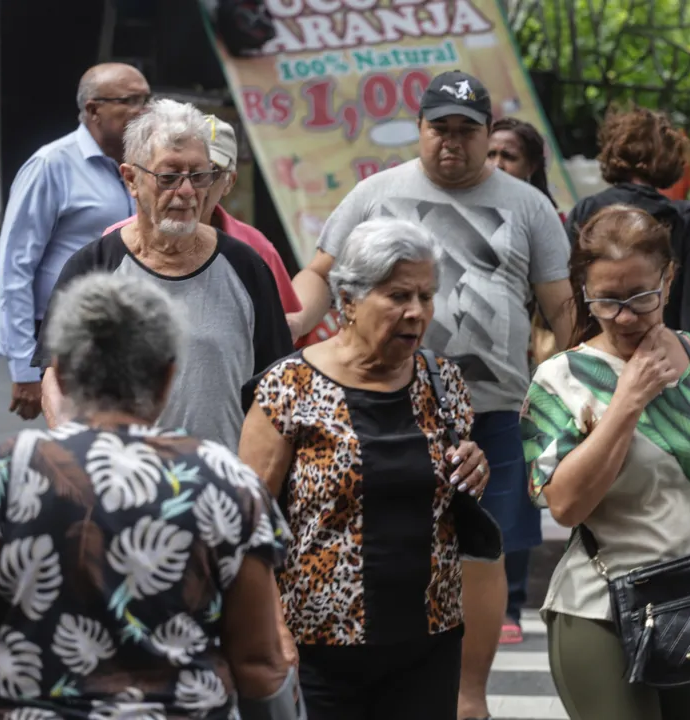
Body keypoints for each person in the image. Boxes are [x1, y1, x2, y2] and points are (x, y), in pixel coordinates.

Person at [285, 70, 573, 720]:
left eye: (466, 131)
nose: (452, 143)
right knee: (378, 536)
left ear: (487, 134)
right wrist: (293, 322)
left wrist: (586, 383)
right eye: (439, 128)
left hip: (494, 408)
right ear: (419, 129)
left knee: (480, 548)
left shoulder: (526, 204)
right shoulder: (376, 192)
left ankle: (469, 697)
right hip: (383, 399)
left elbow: (563, 308)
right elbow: (319, 272)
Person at [0, 272, 296, 717]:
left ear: (64, 375)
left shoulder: (6, 474)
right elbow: (260, 663)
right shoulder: (225, 481)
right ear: (167, 377)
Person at [239, 218, 493, 719]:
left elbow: (452, 498)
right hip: (318, 646)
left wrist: (475, 466)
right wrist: (272, 629)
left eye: (426, 296)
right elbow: (247, 522)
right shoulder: (289, 387)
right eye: (398, 296)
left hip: (429, 640)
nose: (416, 313)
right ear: (349, 300)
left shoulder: (443, 383)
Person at [521, 204, 690, 720]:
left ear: (668, 281)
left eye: (641, 297)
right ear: (584, 291)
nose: (625, 316)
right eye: (607, 301)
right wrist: (626, 402)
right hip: (602, 609)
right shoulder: (561, 379)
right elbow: (564, 505)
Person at [35, 99, 293, 450]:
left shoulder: (246, 266)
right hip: (122, 484)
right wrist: (78, 453)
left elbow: (279, 384)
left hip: (221, 488)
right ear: (131, 180)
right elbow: (55, 375)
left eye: (199, 176)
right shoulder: (94, 267)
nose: (187, 192)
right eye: (169, 176)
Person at [0, 63, 150, 421]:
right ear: (94, 109)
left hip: (129, 335)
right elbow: (15, 268)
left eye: (147, 98)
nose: (144, 110)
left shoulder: (146, 165)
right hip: (65, 337)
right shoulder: (51, 165)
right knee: (74, 455)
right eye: (130, 100)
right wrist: (25, 368)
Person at [104, 114, 302, 315]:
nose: (189, 188)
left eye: (206, 173)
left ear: (229, 182)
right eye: (171, 174)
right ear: (133, 179)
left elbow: (284, 326)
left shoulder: (256, 249)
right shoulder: (117, 242)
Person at [487, 115, 559, 645]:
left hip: (530, 373)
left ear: (532, 168)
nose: (496, 166)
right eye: (490, 155)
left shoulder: (543, 218)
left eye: (508, 157)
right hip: (472, 374)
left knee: (516, 490)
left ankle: (510, 601)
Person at [566, 104, 690, 337]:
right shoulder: (686, 220)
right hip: (665, 354)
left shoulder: (585, 210)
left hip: (597, 350)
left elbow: (569, 294)